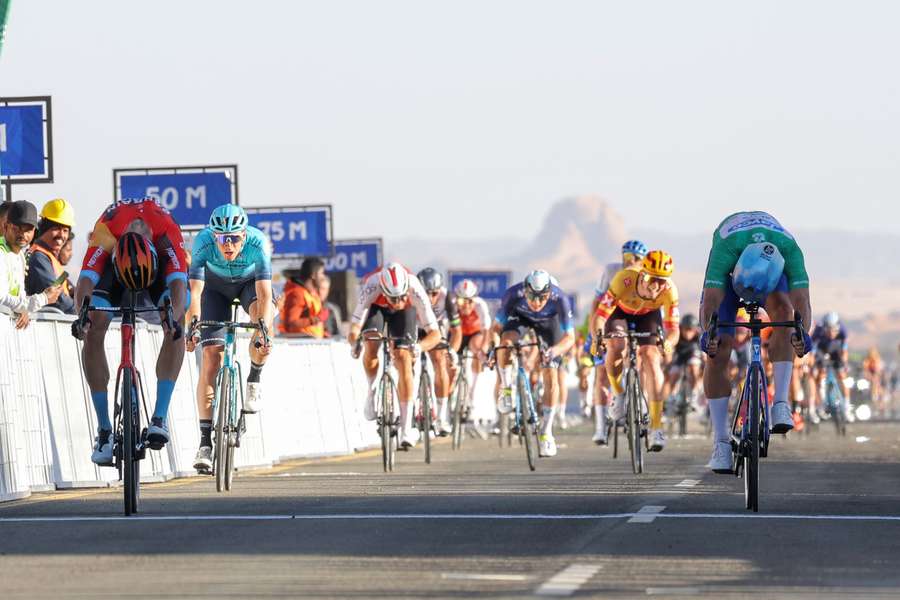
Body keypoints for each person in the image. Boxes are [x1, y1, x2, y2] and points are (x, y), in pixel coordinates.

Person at [73, 196, 188, 465]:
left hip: (155, 269)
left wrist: (172, 320)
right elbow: (86, 281)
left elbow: (179, 288)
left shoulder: (167, 235)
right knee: (93, 324)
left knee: (174, 325)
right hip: (117, 269)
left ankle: (159, 418)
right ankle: (104, 431)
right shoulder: (107, 231)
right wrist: (83, 317)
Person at [699, 211, 813, 474]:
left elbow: (802, 300)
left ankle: (781, 404)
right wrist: (709, 334)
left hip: (772, 273)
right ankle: (721, 443)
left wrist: (802, 334)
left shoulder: (789, 249)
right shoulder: (726, 248)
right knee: (719, 349)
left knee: (786, 316)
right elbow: (712, 300)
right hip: (729, 278)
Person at [185, 204, 274, 474]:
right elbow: (196, 294)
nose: (228, 244)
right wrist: (193, 327)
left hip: (249, 286)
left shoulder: (259, 244)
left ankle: (254, 376)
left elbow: (266, 295)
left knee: (262, 317)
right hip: (215, 289)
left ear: (244, 235)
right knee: (212, 357)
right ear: (213, 236)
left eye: (234, 237)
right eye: (222, 238)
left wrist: (264, 331)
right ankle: (204, 444)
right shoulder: (202, 243)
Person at [591, 250, 680, 452]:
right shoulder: (625, 279)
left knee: (651, 356)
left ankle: (656, 427)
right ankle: (619, 392)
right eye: (651, 279)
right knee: (616, 345)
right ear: (642, 274)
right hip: (619, 312)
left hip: (648, 316)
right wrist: (597, 337)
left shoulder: (669, 291)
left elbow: (673, 330)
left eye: (662, 281)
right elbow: (600, 315)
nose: (656, 286)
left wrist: (668, 343)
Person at [349, 263, 441, 448]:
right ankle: (372, 390)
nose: (398, 301)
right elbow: (354, 327)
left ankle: (406, 429)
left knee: (403, 357)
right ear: (383, 290)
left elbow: (435, 334)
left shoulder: (415, 289)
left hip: (405, 315)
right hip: (376, 308)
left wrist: (420, 347)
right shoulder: (372, 286)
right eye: (393, 298)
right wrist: (355, 343)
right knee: (371, 341)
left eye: (401, 296)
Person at [493, 270, 575, 458]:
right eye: (532, 296)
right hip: (520, 318)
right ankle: (506, 389)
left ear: (550, 292)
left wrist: (554, 351)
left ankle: (546, 433)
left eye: (542, 297)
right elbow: (496, 328)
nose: (537, 303)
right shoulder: (513, 294)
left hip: (549, 324)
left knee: (550, 375)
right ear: (525, 290)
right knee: (505, 344)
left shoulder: (559, 298)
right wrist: (494, 349)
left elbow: (570, 338)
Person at [586, 240, 647, 445]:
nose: (631, 261)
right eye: (627, 257)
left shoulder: (647, 273)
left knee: (643, 356)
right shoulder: (611, 271)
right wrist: (596, 334)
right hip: (610, 317)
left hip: (636, 318)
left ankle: (639, 399)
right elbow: (596, 303)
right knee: (602, 373)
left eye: (636, 258)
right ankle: (601, 429)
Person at [0, 201, 64, 328]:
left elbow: (18, 295)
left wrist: (24, 309)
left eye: (28, 229)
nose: (23, 234)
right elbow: (1, 299)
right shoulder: (1, 253)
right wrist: (43, 298)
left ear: (34, 231)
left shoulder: (20, 256)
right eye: (17, 228)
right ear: (6, 226)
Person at [415, 268, 462, 436]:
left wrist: (452, 351)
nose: (429, 298)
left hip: (436, 330)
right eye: (425, 293)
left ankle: (441, 417)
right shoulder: (411, 292)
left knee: (440, 360)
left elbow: (457, 331)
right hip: (414, 330)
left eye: (434, 293)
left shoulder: (447, 297)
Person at [26, 198, 75, 314]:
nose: (61, 235)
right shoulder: (39, 258)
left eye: (65, 230)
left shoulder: (49, 258)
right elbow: (58, 299)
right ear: (44, 229)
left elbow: (67, 288)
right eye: (56, 229)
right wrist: (83, 313)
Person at [454, 278, 493, 423]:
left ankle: (472, 394)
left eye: (469, 301)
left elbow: (486, 330)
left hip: (474, 334)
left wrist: (483, 349)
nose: (465, 305)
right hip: (457, 334)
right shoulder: (452, 306)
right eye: (461, 301)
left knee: (477, 349)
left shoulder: (480, 305)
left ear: (474, 299)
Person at [661, 313, 704, 416]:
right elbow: (669, 350)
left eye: (691, 330)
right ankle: (670, 399)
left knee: (694, 369)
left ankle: (693, 396)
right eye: (686, 329)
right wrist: (668, 364)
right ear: (681, 328)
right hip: (679, 355)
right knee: (673, 374)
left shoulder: (698, 335)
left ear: (695, 330)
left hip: (693, 354)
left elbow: (703, 352)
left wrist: (704, 361)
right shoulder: (677, 334)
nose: (688, 333)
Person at [812, 312, 850, 421]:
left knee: (842, 375)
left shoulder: (843, 331)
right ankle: (823, 404)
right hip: (822, 350)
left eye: (834, 330)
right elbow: (813, 350)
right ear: (824, 328)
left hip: (836, 349)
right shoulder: (818, 331)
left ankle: (847, 408)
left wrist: (844, 362)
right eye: (828, 330)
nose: (831, 332)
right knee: (821, 373)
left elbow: (844, 350)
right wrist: (815, 364)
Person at [278, 258, 325, 338]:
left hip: (310, 344)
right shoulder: (297, 294)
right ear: (313, 275)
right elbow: (290, 324)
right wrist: (316, 319)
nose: (323, 277)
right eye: (322, 273)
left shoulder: (312, 294)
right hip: (299, 346)